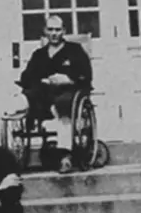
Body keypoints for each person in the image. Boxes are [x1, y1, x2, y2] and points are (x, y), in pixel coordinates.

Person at [14, 14, 93, 174]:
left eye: (58, 29)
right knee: (25, 98)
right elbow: (26, 77)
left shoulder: (74, 50)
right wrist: (41, 80)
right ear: (45, 31)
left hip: (68, 94)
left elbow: (86, 75)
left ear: (63, 31)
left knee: (63, 105)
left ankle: (65, 156)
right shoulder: (39, 54)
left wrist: (68, 79)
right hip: (43, 95)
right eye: (50, 29)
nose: (54, 33)